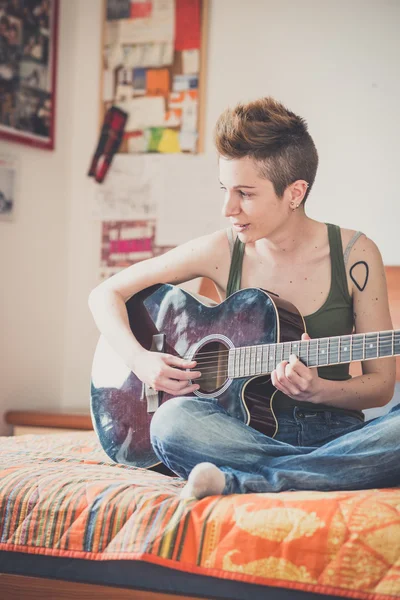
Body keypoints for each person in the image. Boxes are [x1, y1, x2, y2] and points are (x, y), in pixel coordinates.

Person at [88, 97, 399, 499]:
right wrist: (141, 360)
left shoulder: (355, 255)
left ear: (295, 192)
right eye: (225, 189)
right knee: (170, 421)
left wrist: (317, 390)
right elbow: (105, 293)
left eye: (245, 193)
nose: (227, 208)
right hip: (237, 432)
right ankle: (318, 476)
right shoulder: (221, 250)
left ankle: (246, 481)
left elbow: (381, 386)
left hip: (333, 433)